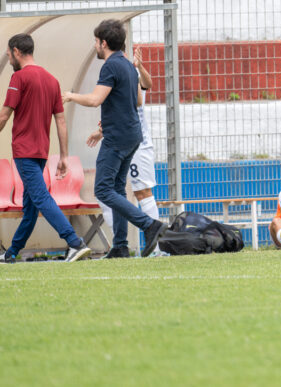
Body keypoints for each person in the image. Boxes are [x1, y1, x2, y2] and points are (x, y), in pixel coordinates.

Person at [63, 20, 168, 258]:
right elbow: (138, 101)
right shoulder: (129, 66)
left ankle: (150, 225)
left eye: (96, 42)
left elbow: (94, 100)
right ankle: (120, 246)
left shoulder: (110, 66)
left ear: (104, 43)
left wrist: (70, 95)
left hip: (118, 137)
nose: (95, 46)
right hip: (133, 135)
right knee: (118, 189)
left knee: (102, 189)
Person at [0, 34, 92, 264]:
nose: (8, 57)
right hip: (41, 152)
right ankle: (11, 253)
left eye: (9, 53)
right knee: (30, 206)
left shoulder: (18, 78)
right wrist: (63, 156)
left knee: (40, 197)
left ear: (17, 52)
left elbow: (3, 115)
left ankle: (74, 242)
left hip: (24, 152)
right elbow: (61, 121)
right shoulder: (52, 80)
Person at [87, 48, 164, 256]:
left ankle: (155, 243)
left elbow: (147, 86)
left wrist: (139, 67)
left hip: (137, 143)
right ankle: (120, 244)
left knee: (140, 192)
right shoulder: (122, 71)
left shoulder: (129, 72)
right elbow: (119, 109)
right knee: (111, 191)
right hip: (124, 137)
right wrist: (101, 131)